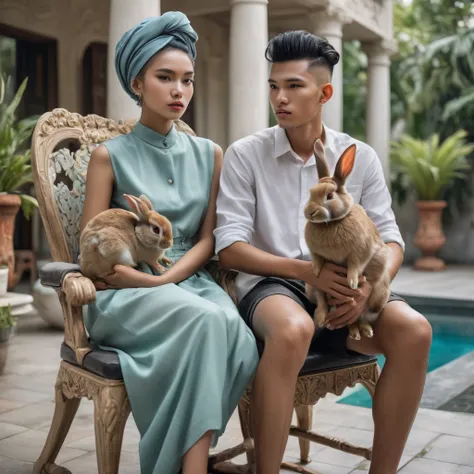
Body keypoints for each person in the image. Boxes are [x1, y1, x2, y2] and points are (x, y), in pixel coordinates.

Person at [214, 30, 432, 474]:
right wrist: (306, 273)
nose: (280, 97)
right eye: (274, 86)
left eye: (294, 86)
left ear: (325, 92)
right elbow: (229, 248)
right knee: (293, 329)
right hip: (274, 284)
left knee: (415, 331)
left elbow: (391, 238)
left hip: (350, 284)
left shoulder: (360, 157)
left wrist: (368, 286)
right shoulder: (245, 155)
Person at [80, 11, 258, 474]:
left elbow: (208, 237)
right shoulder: (108, 156)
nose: (179, 90)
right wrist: (150, 281)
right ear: (137, 83)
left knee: (235, 334)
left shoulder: (210, 153)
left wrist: (177, 276)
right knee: (204, 323)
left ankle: (184, 464)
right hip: (125, 289)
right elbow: (91, 246)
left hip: (190, 281)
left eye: (187, 79)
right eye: (165, 78)